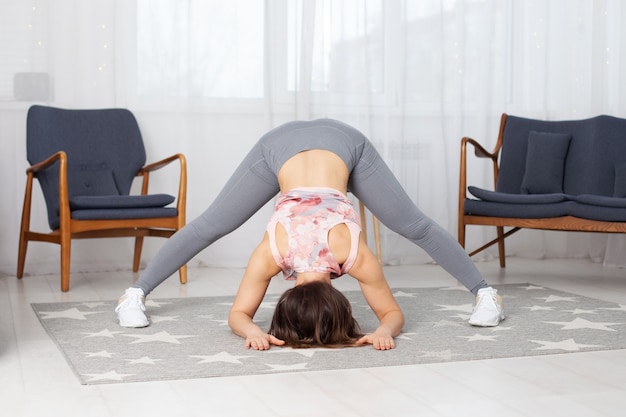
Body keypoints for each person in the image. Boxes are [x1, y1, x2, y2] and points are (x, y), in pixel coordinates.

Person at [115, 119, 505, 349]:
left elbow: (390, 315)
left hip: (326, 144)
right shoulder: (298, 253)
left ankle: (135, 295)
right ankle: (134, 295)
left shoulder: (341, 254)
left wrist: (385, 327)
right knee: (213, 223)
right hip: (308, 145)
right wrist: (252, 328)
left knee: (412, 224)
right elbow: (239, 316)